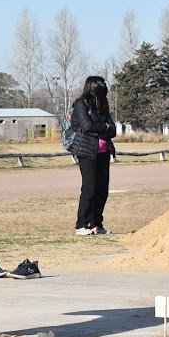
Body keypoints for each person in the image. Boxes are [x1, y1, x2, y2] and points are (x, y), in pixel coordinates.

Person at [68, 76, 116, 236]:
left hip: (104, 152)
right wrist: (104, 127)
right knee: (90, 188)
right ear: (93, 87)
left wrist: (101, 129)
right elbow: (87, 126)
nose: (104, 88)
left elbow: (113, 130)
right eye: (101, 86)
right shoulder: (81, 104)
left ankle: (97, 224)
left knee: (103, 190)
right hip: (86, 151)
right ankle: (81, 224)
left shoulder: (103, 105)